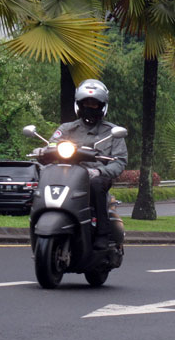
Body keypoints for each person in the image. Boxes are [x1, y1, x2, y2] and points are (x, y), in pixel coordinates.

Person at [49, 79, 127, 249]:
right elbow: (52, 144)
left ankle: (102, 233)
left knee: (96, 184)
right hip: (68, 175)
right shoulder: (67, 128)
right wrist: (44, 151)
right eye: (86, 103)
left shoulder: (113, 132)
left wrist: (100, 171)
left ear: (102, 106)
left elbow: (120, 161)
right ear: (79, 105)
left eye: (94, 104)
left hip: (96, 177)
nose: (89, 107)